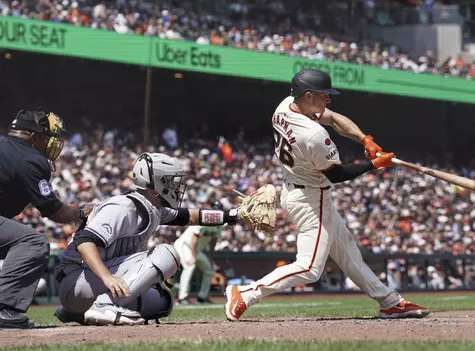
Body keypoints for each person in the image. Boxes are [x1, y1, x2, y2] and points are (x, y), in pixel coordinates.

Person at [225, 69, 430, 320]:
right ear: (309, 96)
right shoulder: (313, 135)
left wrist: (365, 140)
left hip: (296, 189)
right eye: (324, 95)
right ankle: (246, 293)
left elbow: (332, 118)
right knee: (309, 268)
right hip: (311, 199)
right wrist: (374, 165)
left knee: (349, 255)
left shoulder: (286, 104)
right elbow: (337, 175)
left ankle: (389, 302)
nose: (328, 100)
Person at [54, 152, 275, 325]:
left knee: (163, 302)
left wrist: (233, 216)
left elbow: (190, 216)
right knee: (168, 253)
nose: (176, 186)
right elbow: (84, 242)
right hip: (76, 280)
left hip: (87, 288)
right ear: (153, 185)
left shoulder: (151, 208)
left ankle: (79, 313)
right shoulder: (122, 207)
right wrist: (108, 279)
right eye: (169, 181)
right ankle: (104, 306)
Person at [0, 109, 93, 329]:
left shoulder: (6, 148)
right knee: (32, 242)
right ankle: (5, 310)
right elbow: (56, 212)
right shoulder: (29, 158)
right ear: (34, 136)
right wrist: (81, 212)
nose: (53, 143)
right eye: (49, 137)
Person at [173, 226, 219, 305]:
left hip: (195, 249)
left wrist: (211, 257)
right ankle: (182, 297)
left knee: (210, 268)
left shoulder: (218, 222)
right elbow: (194, 239)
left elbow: (214, 240)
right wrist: (193, 256)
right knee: (189, 267)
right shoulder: (203, 219)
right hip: (184, 245)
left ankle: (202, 297)